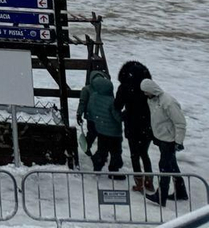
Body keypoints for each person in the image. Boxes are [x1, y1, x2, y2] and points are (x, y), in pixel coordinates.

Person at [142, 80, 189, 203]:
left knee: (164, 167)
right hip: (162, 138)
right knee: (172, 166)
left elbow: (180, 123)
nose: (145, 94)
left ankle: (161, 196)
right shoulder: (152, 100)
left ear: (152, 90)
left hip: (170, 140)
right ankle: (181, 191)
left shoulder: (168, 102)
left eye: (146, 92)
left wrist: (178, 141)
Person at [115, 60, 156, 192]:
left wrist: (123, 115)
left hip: (132, 125)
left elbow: (117, 105)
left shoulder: (124, 87)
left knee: (134, 155)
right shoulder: (148, 88)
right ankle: (149, 181)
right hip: (147, 124)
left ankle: (139, 182)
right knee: (144, 153)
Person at [77, 68, 123, 174]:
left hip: (97, 120)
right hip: (106, 126)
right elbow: (116, 114)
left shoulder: (94, 94)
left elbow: (84, 103)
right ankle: (91, 151)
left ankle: (97, 158)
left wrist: (81, 113)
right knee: (112, 148)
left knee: (98, 140)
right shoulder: (108, 97)